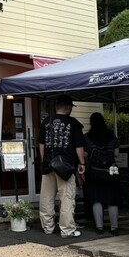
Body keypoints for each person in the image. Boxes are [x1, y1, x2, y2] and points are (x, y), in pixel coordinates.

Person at [38, 94, 86, 238]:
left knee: (46, 198)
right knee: (67, 199)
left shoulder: (46, 122)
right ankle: (67, 230)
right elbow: (79, 146)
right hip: (66, 167)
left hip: (48, 165)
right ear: (68, 108)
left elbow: (41, 144)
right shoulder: (73, 123)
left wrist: (45, 161)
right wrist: (82, 163)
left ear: (56, 107)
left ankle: (47, 227)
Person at [84, 112, 122, 236]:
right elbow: (116, 154)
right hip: (111, 172)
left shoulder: (87, 137)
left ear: (91, 123)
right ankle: (114, 228)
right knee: (112, 200)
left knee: (97, 199)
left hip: (94, 172)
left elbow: (85, 155)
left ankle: (99, 227)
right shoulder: (112, 136)